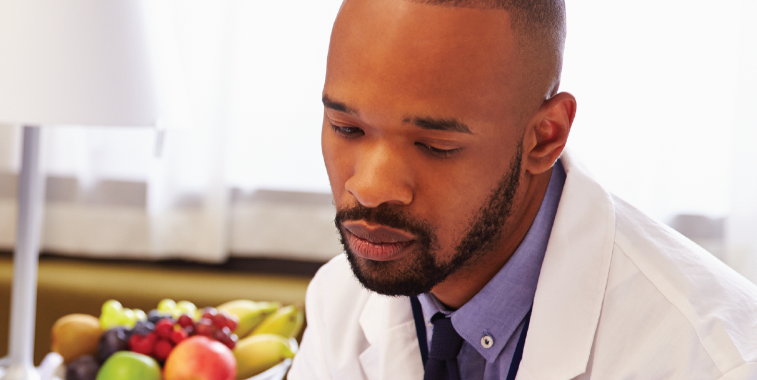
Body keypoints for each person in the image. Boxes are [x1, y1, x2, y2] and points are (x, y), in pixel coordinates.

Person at [290, 0, 757, 379]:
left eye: (434, 146)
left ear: (544, 137)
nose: (369, 189)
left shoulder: (714, 359)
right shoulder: (340, 301)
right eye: (346, 128)